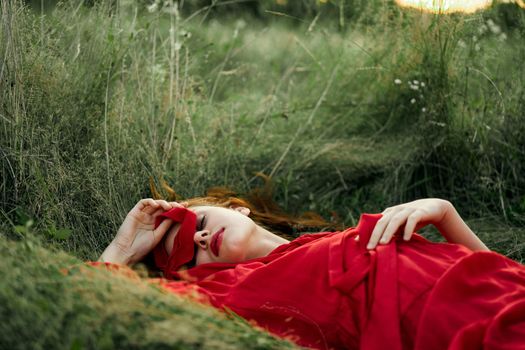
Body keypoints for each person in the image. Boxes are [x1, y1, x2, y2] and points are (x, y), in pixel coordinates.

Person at [99, 191, 525, 350]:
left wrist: (444, 214)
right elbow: (94, 298)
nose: (200, 241)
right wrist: (122, 248)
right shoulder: (236, 293)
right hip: (459, 331)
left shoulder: (323, 240)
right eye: (189, 261)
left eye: (200, 225)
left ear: (235, 208)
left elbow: (496, 271)